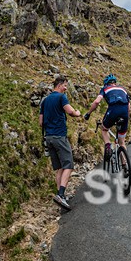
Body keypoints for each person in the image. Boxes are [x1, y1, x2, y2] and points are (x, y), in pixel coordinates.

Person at [39, 75, 81, 210]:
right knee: (68, 164)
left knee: (59, 168)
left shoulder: (44, 101)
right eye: (65, 85)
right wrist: (78, 113)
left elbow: (40, 122)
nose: (66, 88)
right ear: (60, 84)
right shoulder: (61, 97)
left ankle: (59, 195)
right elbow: (70, 112)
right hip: (59, 136)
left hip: (49, 138)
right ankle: (61, 194)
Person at [84, 74, 130, 158]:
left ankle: (108, 145)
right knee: (122, 142)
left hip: (113, 110)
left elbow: (97, 102)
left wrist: (88, 113)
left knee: (104, 129)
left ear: (106, 84)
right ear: (115, 83)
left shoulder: (105, 89)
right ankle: (125, 165)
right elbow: (128, 105)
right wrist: (127, 117)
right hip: (125, 112)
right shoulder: (123, 89)